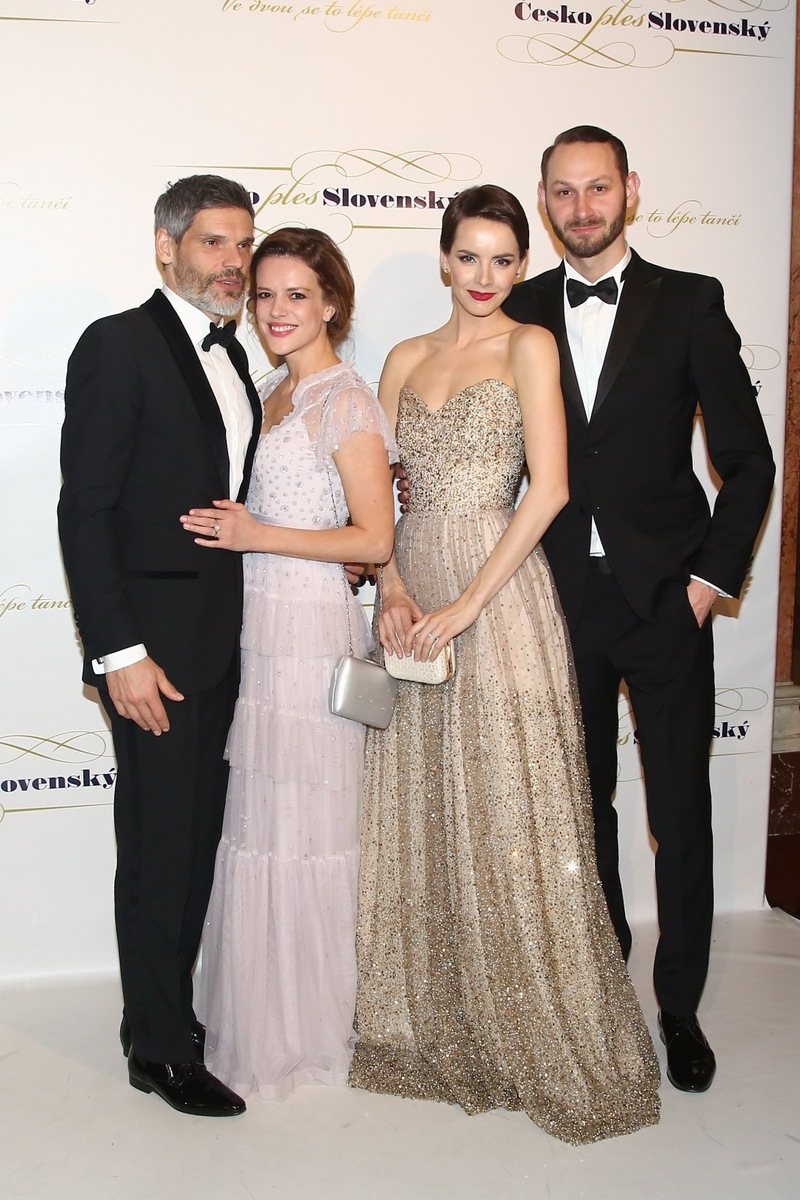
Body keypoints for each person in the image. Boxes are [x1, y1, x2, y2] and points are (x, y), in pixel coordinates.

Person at [349, 185, 661, 1145]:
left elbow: (550, 489)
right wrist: (393, 589)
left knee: (512, 805)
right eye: (468, 256)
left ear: (521, 267)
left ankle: (533, 1022)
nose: (483, 276)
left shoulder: (530, 346)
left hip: (499, 590)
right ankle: (429, 1019)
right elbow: (376, 495)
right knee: (421, 801)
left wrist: (466, 607)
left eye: (502, 259)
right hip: (412, 591)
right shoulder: (403, 358)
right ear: (443, 259)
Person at [503, 126, 775, 1093]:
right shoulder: (518, 307)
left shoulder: (690, 301)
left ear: (630, 190)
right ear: (544, 199)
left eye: (598, 188)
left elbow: (749, 461)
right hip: (557, 603)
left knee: (680, 812)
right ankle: (601, 971)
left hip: (666, 603)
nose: (581, 208)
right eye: (563, 191)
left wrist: (709, 583)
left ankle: (680, 1009)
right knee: (580, 805)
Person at [58, 175, 262, 1117]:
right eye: (214, 242)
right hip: (152, 656)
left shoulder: (235, 354)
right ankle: (159, 1052)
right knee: (157, 848)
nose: (233, 262)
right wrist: (117, 653)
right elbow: (86, 511)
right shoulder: (119, 344)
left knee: (193, 842)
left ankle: (163, 1016)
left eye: (242, 244)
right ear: (165, 245)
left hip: (220, 644)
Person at [179, 228, 397, 1100]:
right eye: (264, 293)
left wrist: (257, 535)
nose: (275, 310)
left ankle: (308, 1031)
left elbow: (374, 539)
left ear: (332, 303)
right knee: (261, 821)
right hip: (258, 624)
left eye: (296, 294)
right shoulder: (270, 389)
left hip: (309, 630)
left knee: (309, 828)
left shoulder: (347, 400)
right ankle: (255, 1014)